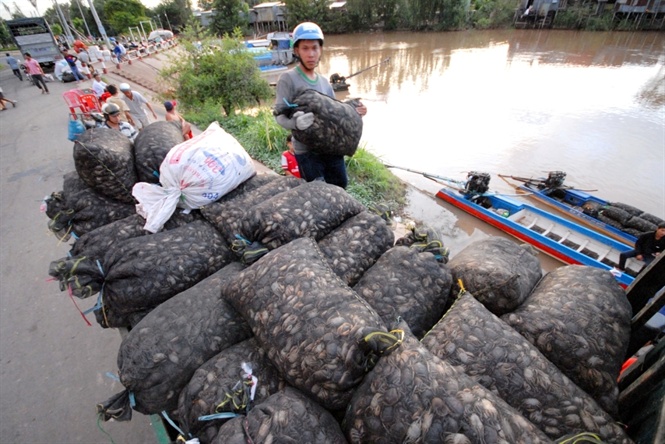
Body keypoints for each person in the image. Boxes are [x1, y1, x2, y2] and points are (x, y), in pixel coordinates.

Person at [274, 22, 366, 189]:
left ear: (321, 50)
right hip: (307, 152)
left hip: (331, 147)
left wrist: (354, 110)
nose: (311, 54)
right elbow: (279, 115)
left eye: (315, 48)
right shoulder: (288, 79)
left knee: (340, 187)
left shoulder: (324, 82)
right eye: (305, 48)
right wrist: (295, 124)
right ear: (296, 51)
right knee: (319, 192)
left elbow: (334, 112)